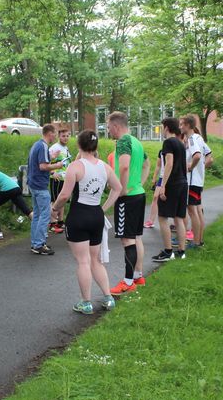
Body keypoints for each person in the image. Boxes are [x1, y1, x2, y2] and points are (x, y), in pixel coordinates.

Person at [53, 130, 122, 314]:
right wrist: (103, 208)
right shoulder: (105, 167)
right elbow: (118, 188)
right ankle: (108, 298)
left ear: (79, 145)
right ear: (96, 146)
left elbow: (65, 195)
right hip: (96, 215)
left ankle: (86, 303)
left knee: (83, 262)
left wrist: (55, 208)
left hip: (79, 215)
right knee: (95, 261)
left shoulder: (75, 166)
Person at [106, 111, 150, 295]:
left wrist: (122, 189)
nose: (108, 131)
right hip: (138, 194)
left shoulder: (123, 141)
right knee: (135, 237)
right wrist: (139, 183)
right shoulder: (136, 141)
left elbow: (124, 166)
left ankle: (128, 282)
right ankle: (138, 276)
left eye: (109, 127)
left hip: (128, 198)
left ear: (116, 126)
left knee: (127, 239)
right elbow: (147, 164)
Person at [151, 118, 189, 262]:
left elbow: (169, 163)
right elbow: (183, 166)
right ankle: (181, 252)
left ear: (166, 127)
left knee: (162, 217)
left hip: (172, 184)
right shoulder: (180, 143)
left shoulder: (168, 142)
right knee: (178, 218)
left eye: (162, 127)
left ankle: (168, 252)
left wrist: (163, 185)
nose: (162, 129)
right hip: (183, 183)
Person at [27, 124, 64, 255]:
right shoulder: (43, 146)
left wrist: (51, 157)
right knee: (45, 215)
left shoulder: (36, 145)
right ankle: (39, 244)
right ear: (50, 133)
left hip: (33, 184)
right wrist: (57, 165)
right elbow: (43, 166)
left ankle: (35, 243)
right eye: (55, 133)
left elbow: (38, 162)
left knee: (37, 215)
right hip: (40, 185)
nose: (56, 136)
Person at [181, 115, 206, 248]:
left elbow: (197, 155)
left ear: (188, 125)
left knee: (192, 212)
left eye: (181, 124)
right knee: (196, 211)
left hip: (192, 181)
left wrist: (190, 167)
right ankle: (199, 241)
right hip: (198, 180)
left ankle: (196, 242)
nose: (180, 127)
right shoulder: (198, 138)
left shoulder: (191, 139)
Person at [48, 127, 72, 234]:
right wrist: (52, 173)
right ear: (59, 136)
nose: (66, 138)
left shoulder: (65, 148)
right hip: (56, 178)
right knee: (55, 200)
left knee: (62, 200)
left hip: (64, 178)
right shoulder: (54, 148)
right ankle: (52, 223)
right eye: (63, 136)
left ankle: (60, 222)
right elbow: (46, 161)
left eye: (67, 135)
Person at [143, 148, 163, 229]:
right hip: (162, 178)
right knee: (155, 197)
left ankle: (178, 224)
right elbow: (158, 165)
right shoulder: (161, 151)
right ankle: (151, 221)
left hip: (172, 178)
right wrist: (154, 178)